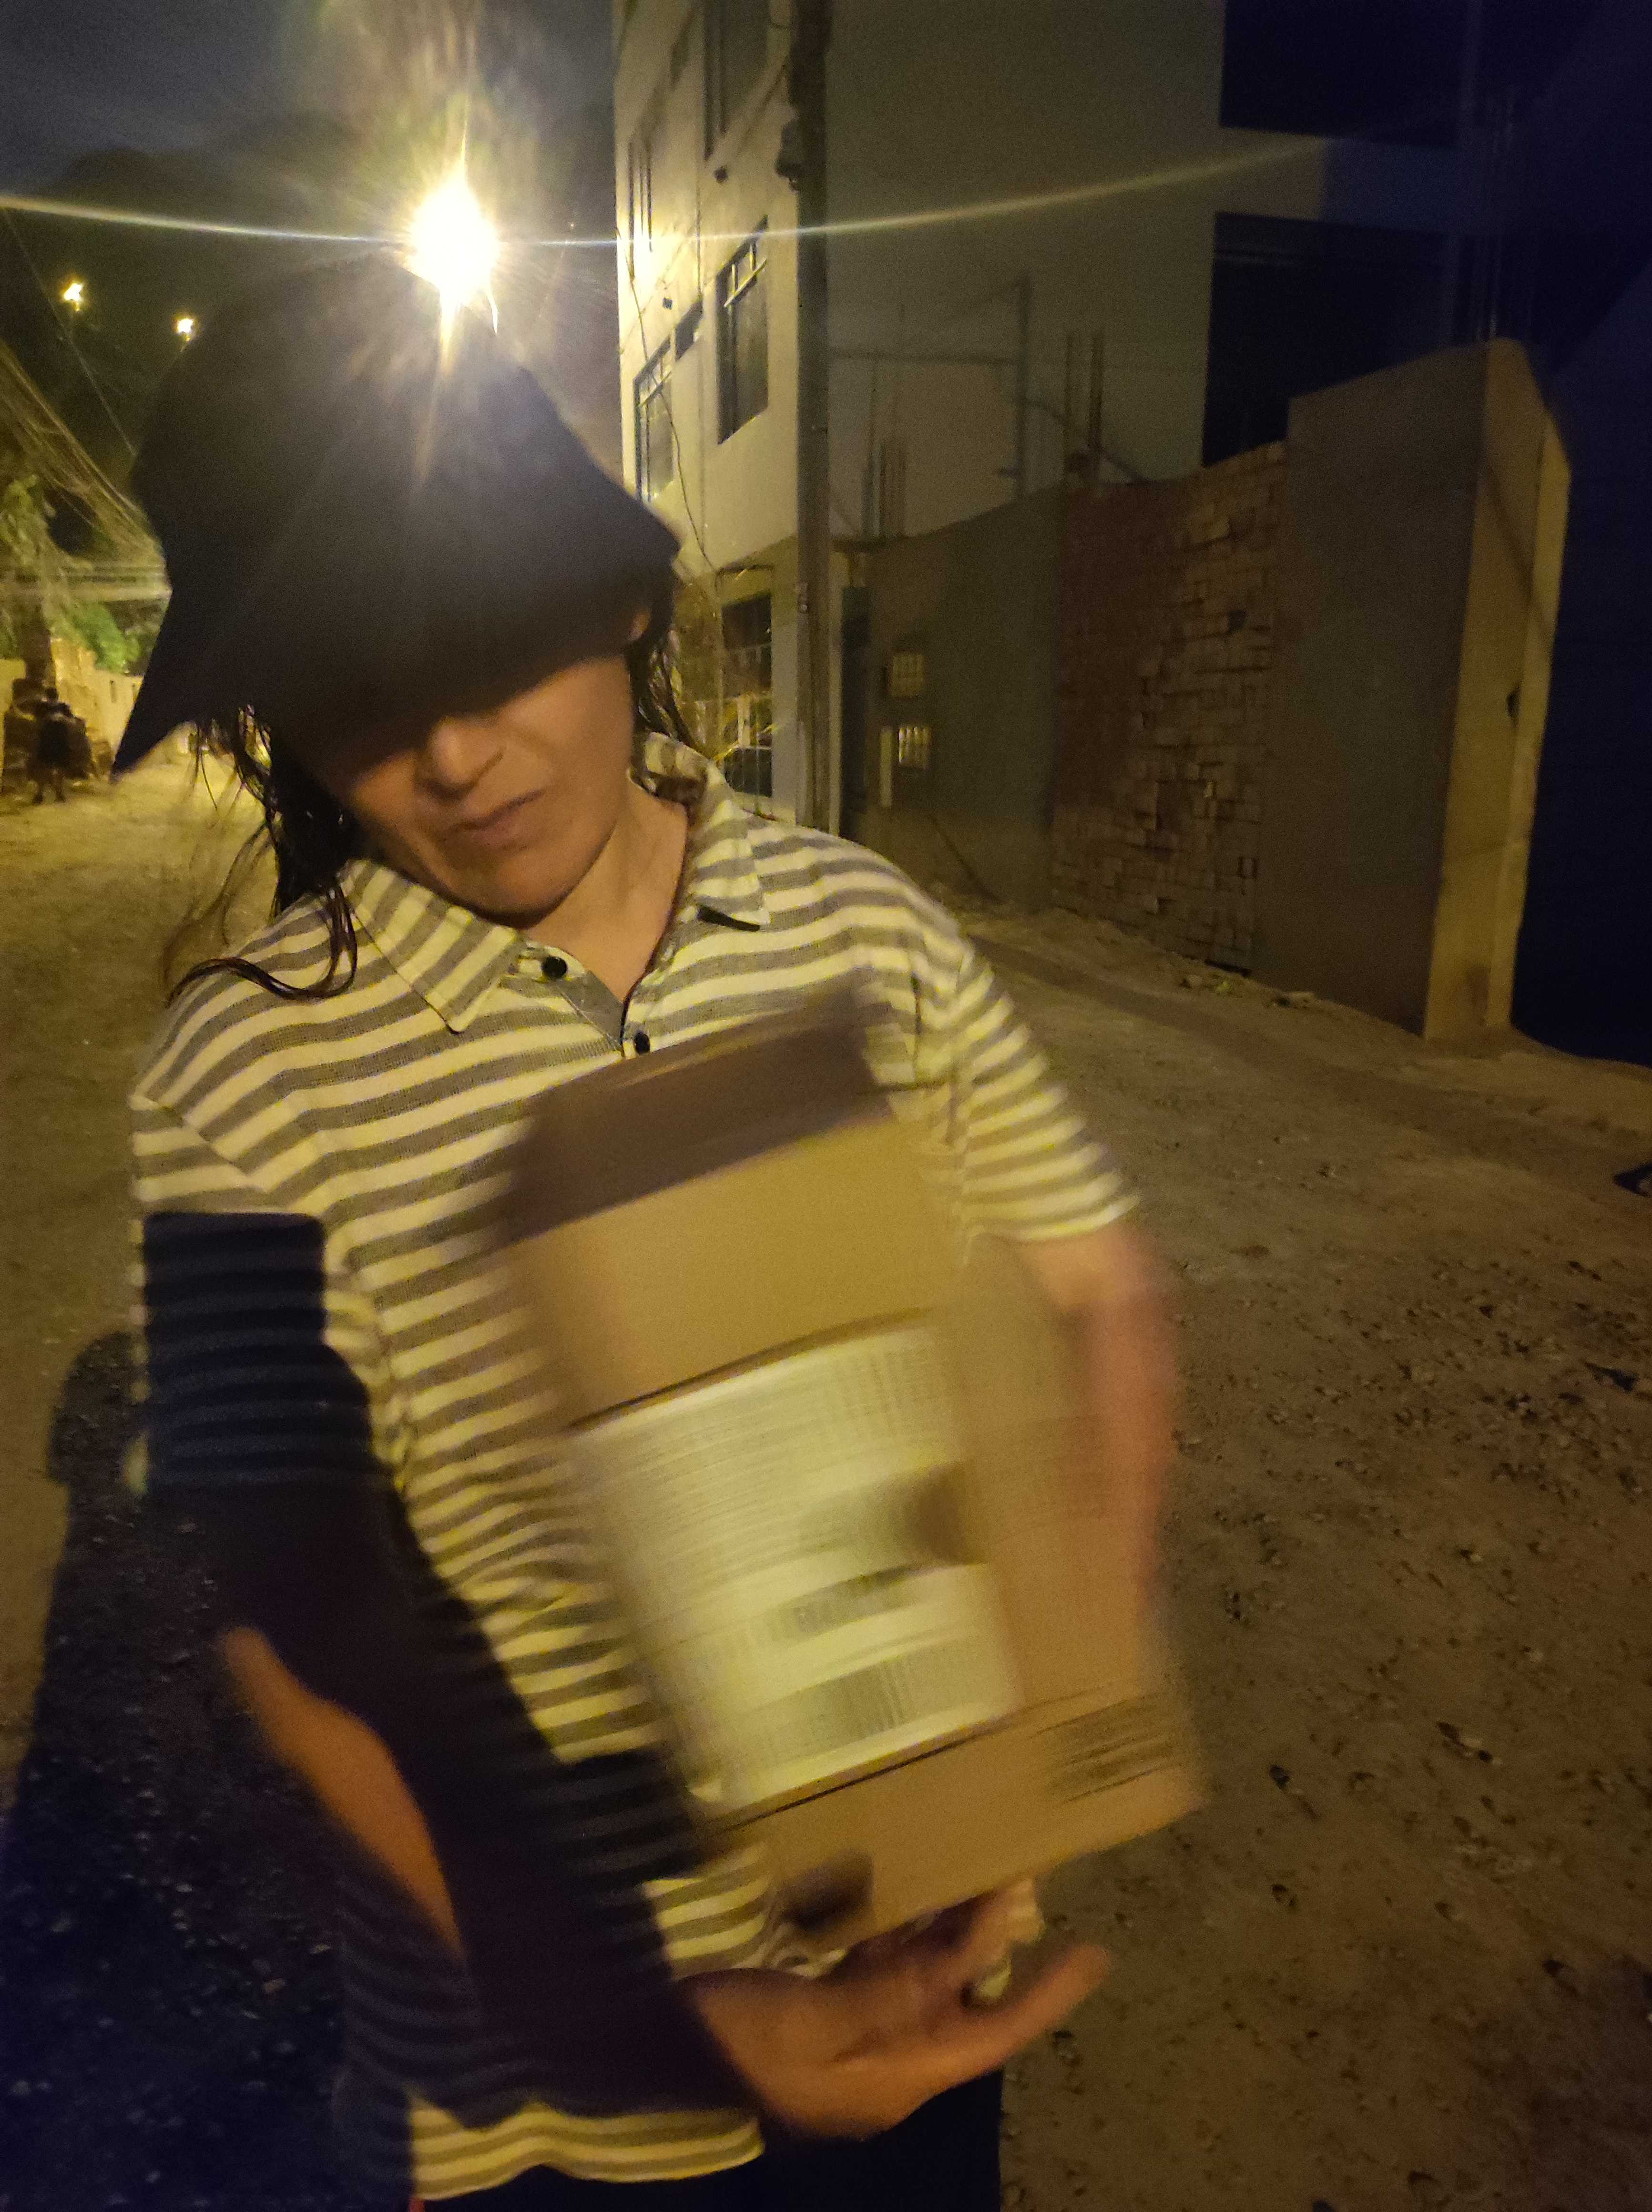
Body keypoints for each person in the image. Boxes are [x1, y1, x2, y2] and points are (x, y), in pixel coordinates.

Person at [117, 257, 1173, 2209]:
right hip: (545, 2098)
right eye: (355, 695)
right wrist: (657, 2020)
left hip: (921, 1970)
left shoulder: (870, 935)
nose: (451, 756)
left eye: (487, 643)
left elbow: (1097, 1289)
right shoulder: (236, 1083)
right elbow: (289, 1616)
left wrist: (1050, 1743)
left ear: (621, 597)